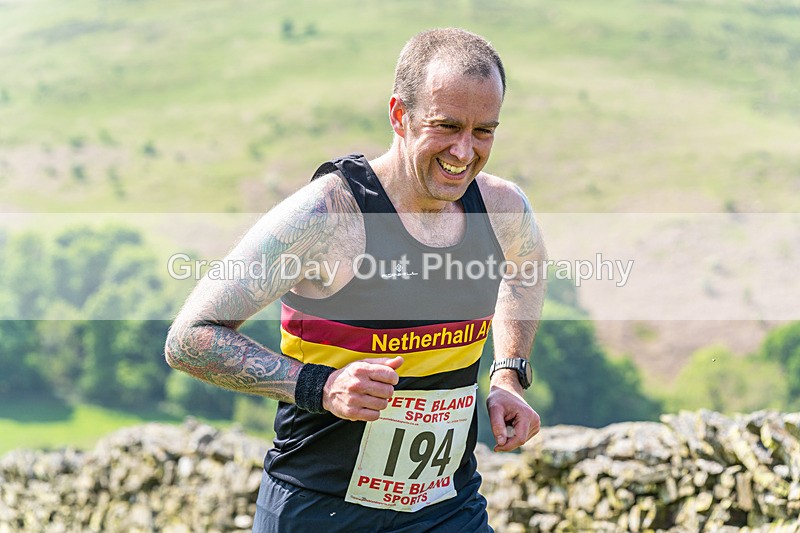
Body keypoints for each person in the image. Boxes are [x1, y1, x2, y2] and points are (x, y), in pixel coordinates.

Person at [165, 27, 545, 532]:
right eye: (446, 126)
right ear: (399, 115)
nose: (464, 151)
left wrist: (508, 374)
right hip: (319, 509)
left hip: (446, 509)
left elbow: (526, 269)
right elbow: (190, 338)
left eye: (484, 131)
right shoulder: (329, 214)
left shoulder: (501, 209)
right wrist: (322, 387)